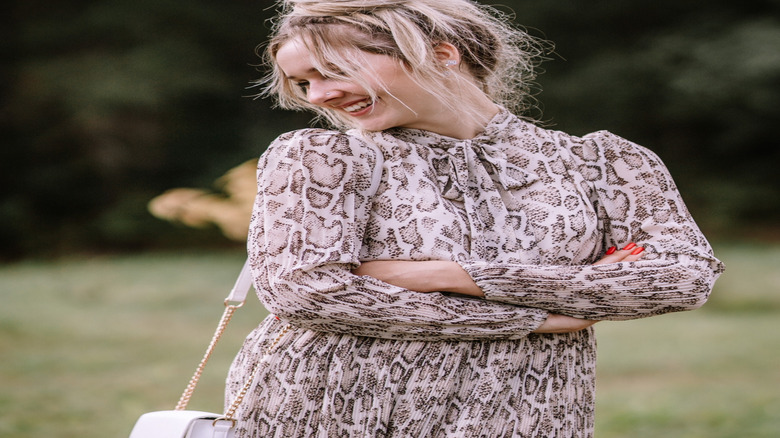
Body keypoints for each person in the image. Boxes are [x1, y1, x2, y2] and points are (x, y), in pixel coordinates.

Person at [225, 0, 725, 436]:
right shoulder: (322, 157)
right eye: (303, 83)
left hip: (529, 406)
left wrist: (448, 276)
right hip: (335, 405)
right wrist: (535, 318)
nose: (318, 96)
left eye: (334, 72)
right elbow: (306, 292)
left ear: (442, 53)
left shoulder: (602, 163)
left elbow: (681, 279)